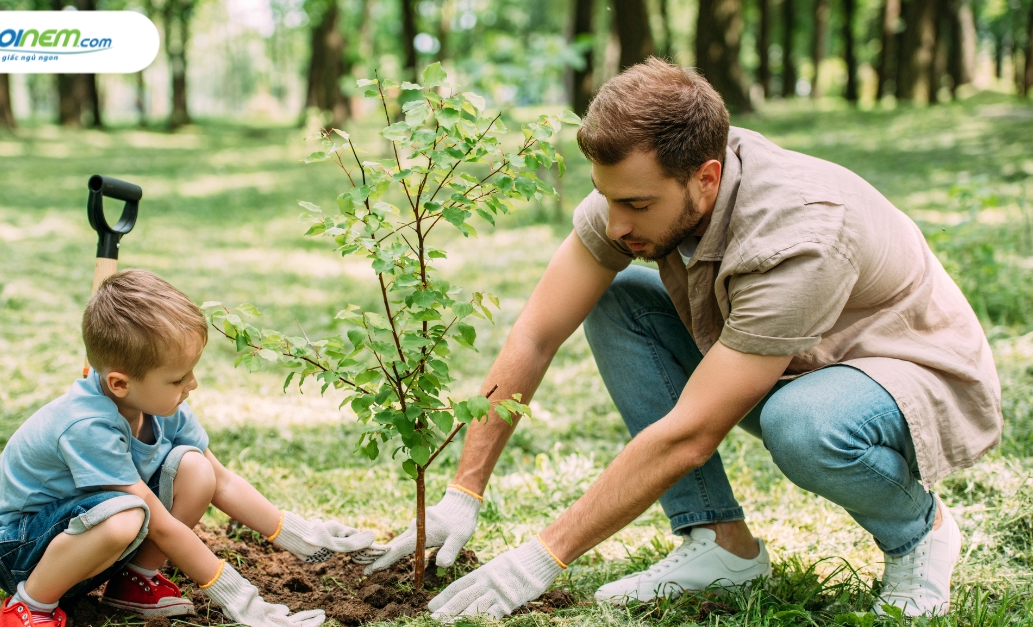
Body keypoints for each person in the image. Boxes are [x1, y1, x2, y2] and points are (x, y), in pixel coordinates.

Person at [365, 59, 1001, 619]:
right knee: (617, 301)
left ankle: (920, 533)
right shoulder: (635, 191)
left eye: (637, 206)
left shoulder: (800, 234)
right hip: (791, 356)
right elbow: (535, 332)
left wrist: (541, 557)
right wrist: (462, 492)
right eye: (605, 198)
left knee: (801, 423)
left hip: (905, 372)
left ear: (706, 177)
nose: (616, 224)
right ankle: (720, 546)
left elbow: (693, 434)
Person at [0, 269, 382, 627]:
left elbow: (219, 480)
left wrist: (300, 536)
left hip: (83, 533)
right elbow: (159, 522)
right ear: (119, 384)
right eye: (177, 378)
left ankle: (133, 581)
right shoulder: (87, 425)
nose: (192, 385)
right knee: (129, 514)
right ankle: (29, 606)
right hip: (19, 549)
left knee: (195, 469)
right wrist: (238, 596)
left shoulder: (158, 405)